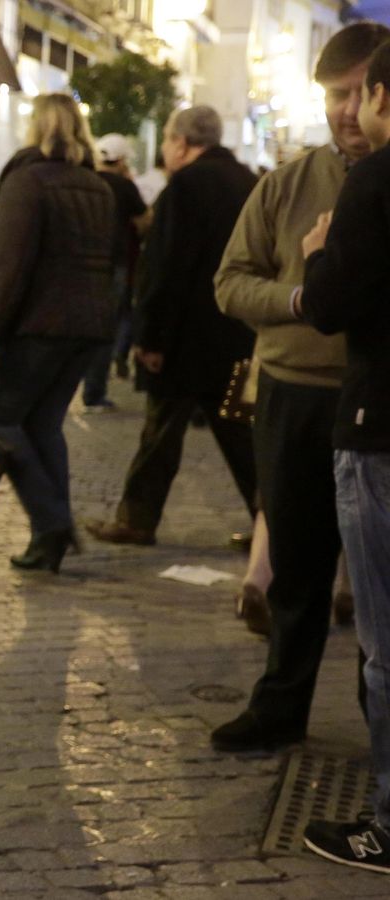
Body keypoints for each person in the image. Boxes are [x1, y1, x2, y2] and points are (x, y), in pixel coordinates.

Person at [210, 21, 390, 754]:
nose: (346, 111)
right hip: (292, 395)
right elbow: (228, 284)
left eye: (358, 94)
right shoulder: (287, 183)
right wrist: (298, 299)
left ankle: (375, 724)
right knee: (296, 567)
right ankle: (281, 704)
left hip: (375, 405)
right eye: (333, 96)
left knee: (376, 584)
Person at [83, 106, 258, 547]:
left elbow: (167, 266)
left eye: (165, 139)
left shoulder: (185, 184)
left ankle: (136, 519)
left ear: (181, 142)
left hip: (184, 340)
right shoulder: (249, 181)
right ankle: (271, 527)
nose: (164, 149)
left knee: (160, 433)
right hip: (239, 337)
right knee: (245, 437)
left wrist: (151, 336)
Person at [297, 36, 390, 870]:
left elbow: (326, 305)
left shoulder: (372, 182)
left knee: (386, 644)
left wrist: (318, 255)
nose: (348, 111)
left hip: (379, 425)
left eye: (360, 95)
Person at [0, 93, 116, 573]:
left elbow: (8, 266)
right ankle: (47, 538)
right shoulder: (97, 186)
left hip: (37, 326)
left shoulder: (27, 181)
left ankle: (53, 522)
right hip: (88, 327)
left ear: (37, 127)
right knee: (43, 423)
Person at [81, 133, 150, 411]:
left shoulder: (85, 181)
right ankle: (94, 391)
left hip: (82, 264)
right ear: (121, 160)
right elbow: (144, 222)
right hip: (115, 263)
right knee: (106, 327)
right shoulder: (124, 186)